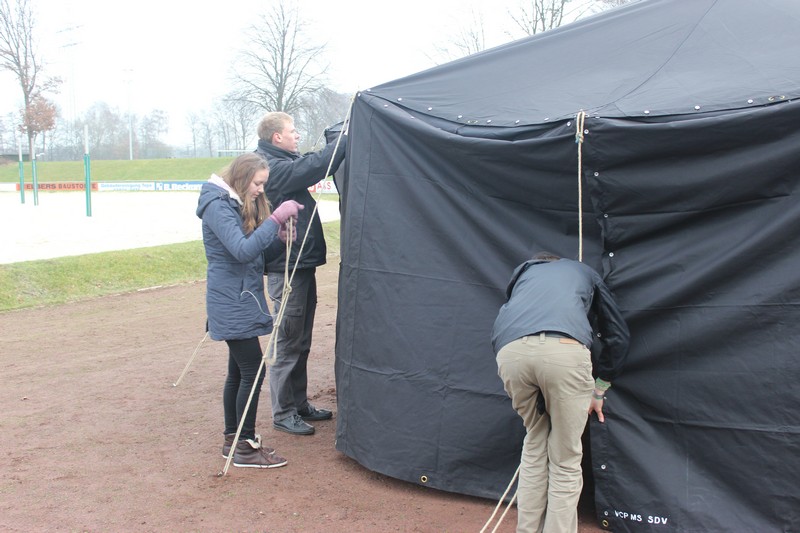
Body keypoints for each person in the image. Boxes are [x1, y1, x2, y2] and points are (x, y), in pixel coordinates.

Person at [491, 252, 630, 533]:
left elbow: (509, 312)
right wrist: (600, 389)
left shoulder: (524, 272)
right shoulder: (584, 272)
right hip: (564, 350)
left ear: (540, 262)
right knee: (565, 457)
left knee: (535, 443)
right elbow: (618, 335)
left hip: (511, 353)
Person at [196, 153, 303, 468]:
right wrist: (275, 220)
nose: (260, 190)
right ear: (242, 179)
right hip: (232, 300)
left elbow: (251, 251)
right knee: (253, 370)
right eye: (258, 183)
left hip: (238, 298)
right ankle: (243, 445)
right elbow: (242, 252)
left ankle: (234, 440)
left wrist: (278, 239)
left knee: (239, 371)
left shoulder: (228, 203)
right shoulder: (218, 205)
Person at [254, 111, 347, 436]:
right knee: (288, 340)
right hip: (286, 267)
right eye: (292, 131)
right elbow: (314, 166)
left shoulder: (280, 161)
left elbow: (308, 161)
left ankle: (298, 403)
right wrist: (344, 140)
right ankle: (283, 412)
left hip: (299, 265)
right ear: (276, 137)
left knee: (301, 340)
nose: (297, 135)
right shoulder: (271, 167)